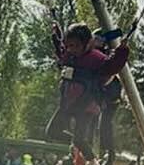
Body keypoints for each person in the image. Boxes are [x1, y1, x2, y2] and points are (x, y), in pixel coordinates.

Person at [45, 23, 129, 157]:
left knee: (80, 139)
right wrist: (56, 36)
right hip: (69, 102)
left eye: (76, 46)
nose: (72, 49)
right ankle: (79, 144)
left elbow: (113, 66)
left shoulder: (96, 58)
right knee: (52, 132)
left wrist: (122, 50)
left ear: (87, 44)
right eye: (69, 46)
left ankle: (92, 158)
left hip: (87, 105)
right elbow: (61, 50)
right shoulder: (70, 55)